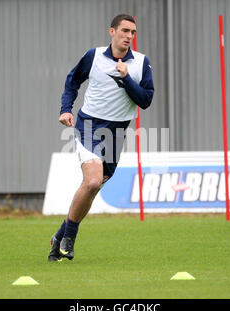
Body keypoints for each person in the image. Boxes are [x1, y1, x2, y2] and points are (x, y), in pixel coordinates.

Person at [48, 14, 154, 261]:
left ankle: (58, 236)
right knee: (93, 181)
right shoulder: (93, 56)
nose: (129, 36)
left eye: (133, 32)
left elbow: (146, 101)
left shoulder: (140, 63)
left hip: (116, 133)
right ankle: (69, 239)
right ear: (112, 31)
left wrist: (127, 78)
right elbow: (72, 81)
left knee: (91, 188)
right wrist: (66, 108)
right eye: (125, 31)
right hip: (90, 126)